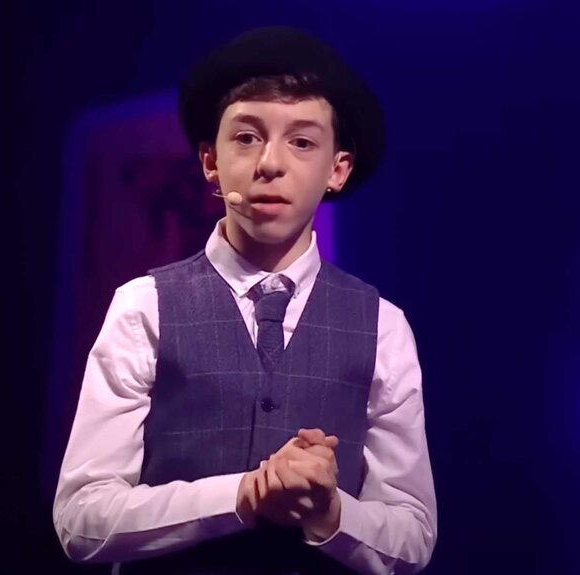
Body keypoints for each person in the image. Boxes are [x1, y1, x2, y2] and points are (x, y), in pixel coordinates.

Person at [53, 26, 437, 574]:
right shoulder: (144, 306)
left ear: (338, 169)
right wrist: (242, 495)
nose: (270, 164)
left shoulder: (382, 325)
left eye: (302, 142)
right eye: (247, 138)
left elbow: (413, 536)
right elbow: (81, 519)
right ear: (211, 161)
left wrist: (330, 512)